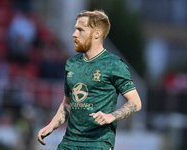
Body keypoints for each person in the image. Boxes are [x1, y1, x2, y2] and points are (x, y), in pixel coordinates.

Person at [38, 10, 142, 150]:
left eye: (80, 30)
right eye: (75, 29)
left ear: (97, 34)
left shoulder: (114, 64)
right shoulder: (71, 63)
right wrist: (51, 126)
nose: (74, 34)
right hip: (69, 142)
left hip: (98, 143)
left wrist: (111, 116)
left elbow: (135, 102)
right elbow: (67, 104)